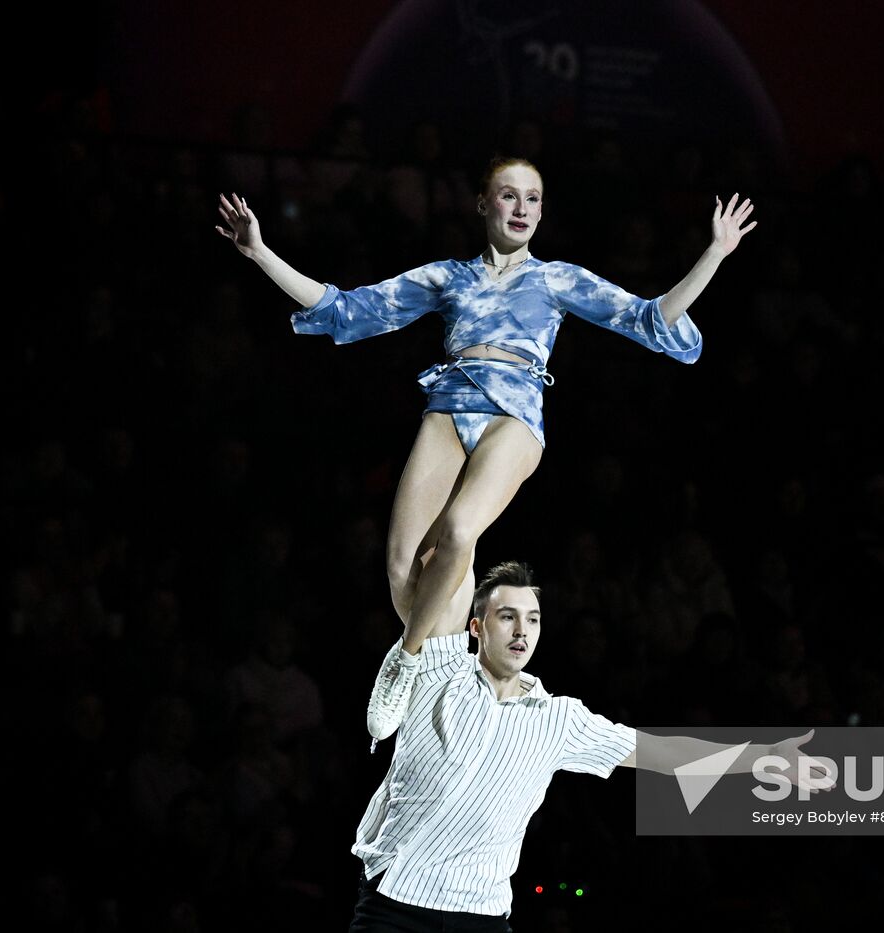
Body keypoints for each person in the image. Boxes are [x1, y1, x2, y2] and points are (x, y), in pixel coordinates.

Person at [215, 157, 757, 742]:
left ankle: (405, 660)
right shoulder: (449, 277)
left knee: (457, 534)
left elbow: (651, 318)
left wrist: (715, 253)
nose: (522, 208)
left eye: (533, 199)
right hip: (449, 404)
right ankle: (454, 681)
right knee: (404, 571)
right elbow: (349, 309)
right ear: (483, 203)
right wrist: (259, 252)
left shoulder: (556, 280)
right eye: (509, 196)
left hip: (516, 412)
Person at [345, 560, 817, 929]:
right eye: (507, 616)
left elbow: (664, 755)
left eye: (532, 619)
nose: (520, 630)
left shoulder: (562, 719)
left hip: (480, 914)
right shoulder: (443, 673)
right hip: (394, 902)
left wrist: (766, 757)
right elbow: (443, 557)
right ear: (476, 627)